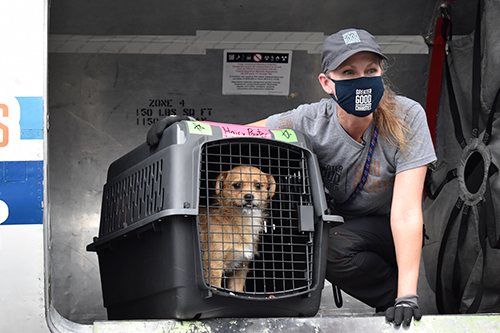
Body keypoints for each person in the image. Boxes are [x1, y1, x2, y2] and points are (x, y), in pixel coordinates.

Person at [147, 28, 436, 326]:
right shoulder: (310, 119)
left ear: (380, 73)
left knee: (332, 246)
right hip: (340, 227)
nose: (361, 80)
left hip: (389, 230)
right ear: (327, 82)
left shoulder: (407, 116)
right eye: (348, 72)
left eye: (370, 70)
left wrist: (406, 295)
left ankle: (391, 298)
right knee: (307, 232)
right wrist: (189, 126)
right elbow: (244, 132)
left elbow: (406, 213)